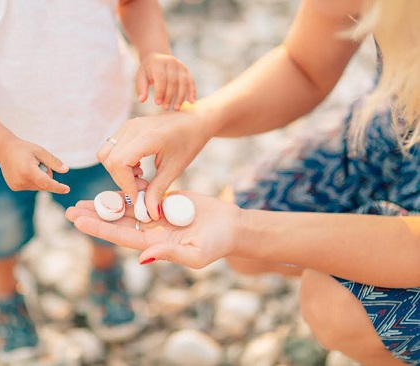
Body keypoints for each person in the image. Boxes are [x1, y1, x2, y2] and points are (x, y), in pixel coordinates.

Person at [65, 0, 420, 365]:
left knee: (335, 308)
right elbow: (303, 66)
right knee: (251, 211)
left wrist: (242, 229)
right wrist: (199, 120)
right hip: (400, 128)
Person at [0, 0, 196, 361]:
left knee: (109, 213)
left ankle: (105, 269)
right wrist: (4, 146)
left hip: (96, 126)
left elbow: (135, 3)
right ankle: (5, 293)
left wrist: (154, 51)